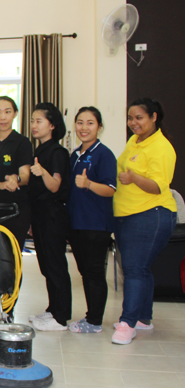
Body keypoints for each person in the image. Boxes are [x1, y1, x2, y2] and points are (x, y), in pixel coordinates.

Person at [112, 98, 177, 345]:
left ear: (153, 118)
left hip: (151, 213)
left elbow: (159, 185)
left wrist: (134, 178)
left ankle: (127, 324)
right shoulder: (134, 141)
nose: (133, 123)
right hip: (127, 213)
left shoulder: (162, 147)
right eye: (130, 118)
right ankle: (143, 318)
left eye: (139, 117)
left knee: (134, 269)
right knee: (141, 268)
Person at [0, 96, 33, 322]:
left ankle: (8, 307)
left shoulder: (22, 143)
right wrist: (1, 183)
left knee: (11, 258)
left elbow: (26, 176)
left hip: (15, 210)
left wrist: (16, 180)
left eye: (7, 111)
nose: (2, 116)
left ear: (15, 114)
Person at [67, 107, 117, 333]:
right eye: (80, 122)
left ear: (99, 127)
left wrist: (88, 184)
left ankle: (94, 321)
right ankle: (91, 318)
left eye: (90, 123)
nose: (84, 128)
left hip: (96, 225)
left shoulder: (103, 154)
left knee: (95, 273)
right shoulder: (75, 154)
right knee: (86, 272)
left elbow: (110, 189)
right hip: (77, 223)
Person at [27, 102, 72, 332]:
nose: (34, 125)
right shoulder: (40, 150)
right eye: (33, 120)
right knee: (46, 265)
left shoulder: (57, 152)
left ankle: (61, 317)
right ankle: (53, 309)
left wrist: (42, 172)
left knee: (55, 265)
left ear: (52, 125)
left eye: (39, 121)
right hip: (40, 215)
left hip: (53, 214)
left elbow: (55, 186)